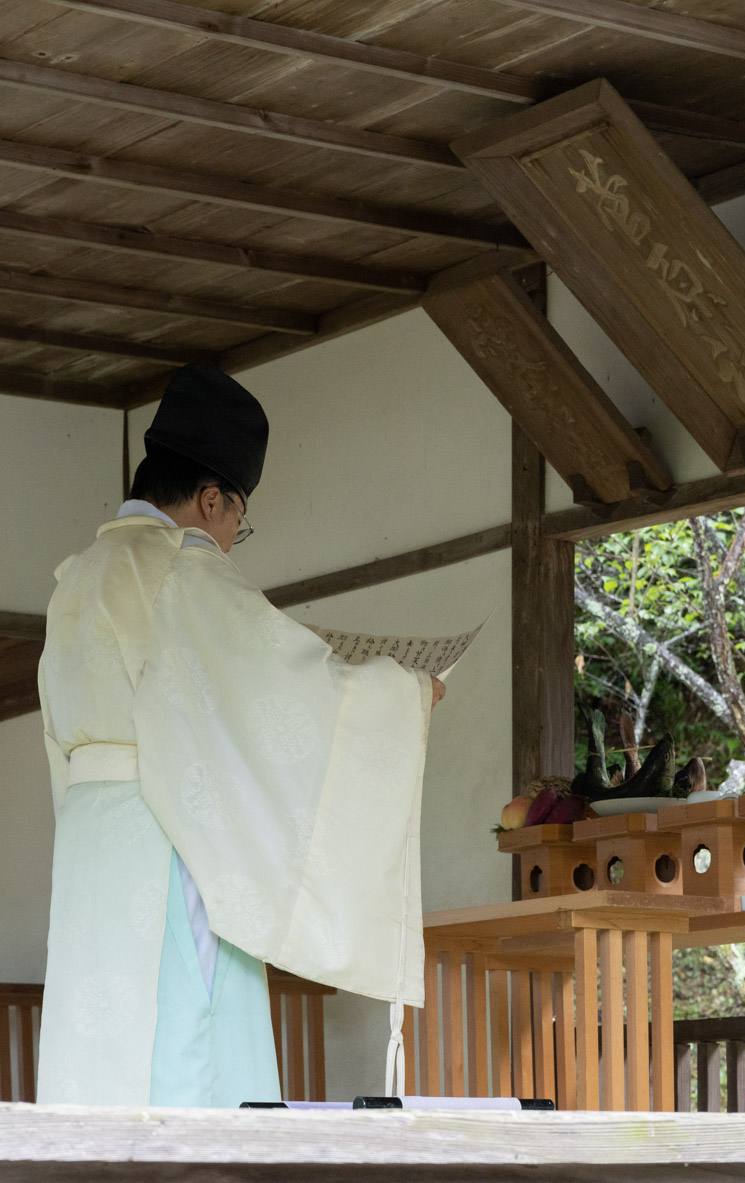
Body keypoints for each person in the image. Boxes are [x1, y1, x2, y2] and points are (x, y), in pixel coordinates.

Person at [37, 363, 442, 1106]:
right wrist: (407, 694)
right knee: (187, 1035)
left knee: (102, 1048)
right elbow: (282, 686)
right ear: (211, 497)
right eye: (234, 521)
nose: (229, 540)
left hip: (91, 843)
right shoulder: (178, 568)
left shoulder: (78, 575)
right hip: (165, 830)